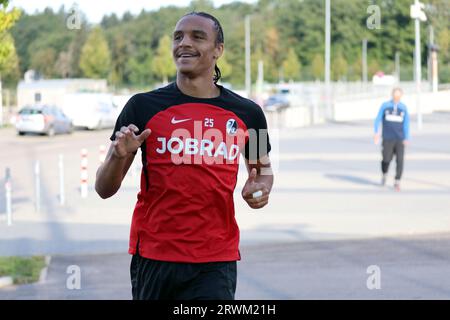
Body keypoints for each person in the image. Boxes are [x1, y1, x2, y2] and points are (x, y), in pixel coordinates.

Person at [95, 12, 274, 300]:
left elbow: (263, 170)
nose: (184, 43)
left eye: (197, 37)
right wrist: (118, 157)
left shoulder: (248, 113)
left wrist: (260, 190)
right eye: (178, 37)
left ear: (218, 50)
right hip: (154, 257)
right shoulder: (141, 107)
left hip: (215, 260)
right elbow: (103, 189)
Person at [374, 87, 410, 191]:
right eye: (395, 95)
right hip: (387, 138)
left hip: (399, 138)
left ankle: (397, 181)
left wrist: (406, 137)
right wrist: (376, 133)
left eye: (399, 95)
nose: (397, 97)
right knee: (386, 159)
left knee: (400, 160)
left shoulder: (403, 108)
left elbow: (406, 124)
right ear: (392, 95)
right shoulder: (385, 106)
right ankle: (384, 174)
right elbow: (377, 119)